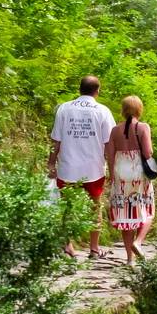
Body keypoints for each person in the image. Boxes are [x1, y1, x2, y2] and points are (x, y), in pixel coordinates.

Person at [48, 75, 115, 258]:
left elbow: (56, 140)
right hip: (93, 168)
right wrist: (112, 167)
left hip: (67, 167)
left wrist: (51, 163)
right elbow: (109, 143)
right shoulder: (102, 111)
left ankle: (67, 244)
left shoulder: (64, 109)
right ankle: (94, 248)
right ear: (97, 91)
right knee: (95, 206)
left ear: (79, 89)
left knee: (66, 206)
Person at [106, 95, 155, 262]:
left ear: (124, 110)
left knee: (125, 214)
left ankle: (129, 259)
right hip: (138, 174)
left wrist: (112, 176)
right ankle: (139, 242)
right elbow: (148, 153)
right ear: (139, 109)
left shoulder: (115, 130)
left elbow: (110, 155)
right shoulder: (143, 127)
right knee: (146, 210)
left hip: (121, 173)